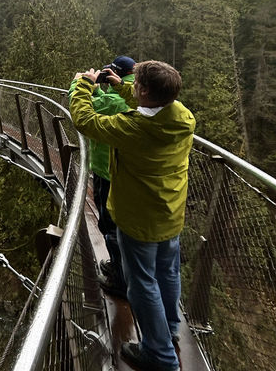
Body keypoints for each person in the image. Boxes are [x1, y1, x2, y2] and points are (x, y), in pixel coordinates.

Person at [69, 60, 195, 371]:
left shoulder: (135, 129)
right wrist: (122, 87)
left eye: (135, 83)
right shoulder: (180, 116)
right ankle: (169, 332)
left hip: (139, 218)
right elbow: (148, 104)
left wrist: (83, 84)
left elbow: (86, 121)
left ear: (144, 90)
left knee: (141, 284)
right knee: (167, 274)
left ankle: (160, 355)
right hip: (170, 213)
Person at [69, 55, 136, 299]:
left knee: (108, 223)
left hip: (107, 170)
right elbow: (108, 103)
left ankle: (120, 278)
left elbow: (86, 114)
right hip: (126, 172)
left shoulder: (119, 99)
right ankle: (120, 268)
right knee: (119, 225)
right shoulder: (138, 94)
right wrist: (99, 90)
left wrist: (80, 85)